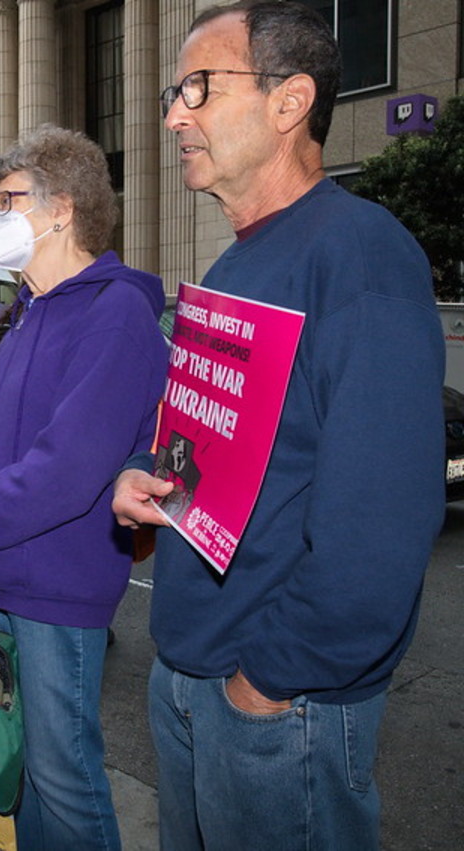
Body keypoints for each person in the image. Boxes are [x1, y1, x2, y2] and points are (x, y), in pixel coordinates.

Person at [111, 4, 443, 849]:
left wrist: (268, 682)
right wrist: (146, 476)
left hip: (274, 702)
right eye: (172, 93)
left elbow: (379, 523)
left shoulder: (362, 255)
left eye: (198, 88)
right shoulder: (234, 262)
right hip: (189, 673)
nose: (175, 114)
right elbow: (221, 438)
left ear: (290, 102)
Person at [0, 126, 169, 851]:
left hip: (56, 584)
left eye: (7, 201)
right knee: (20, 768)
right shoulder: (28, 310)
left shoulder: (116, 313)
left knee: (64, 773)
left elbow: (68, 466)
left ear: (63, 209)